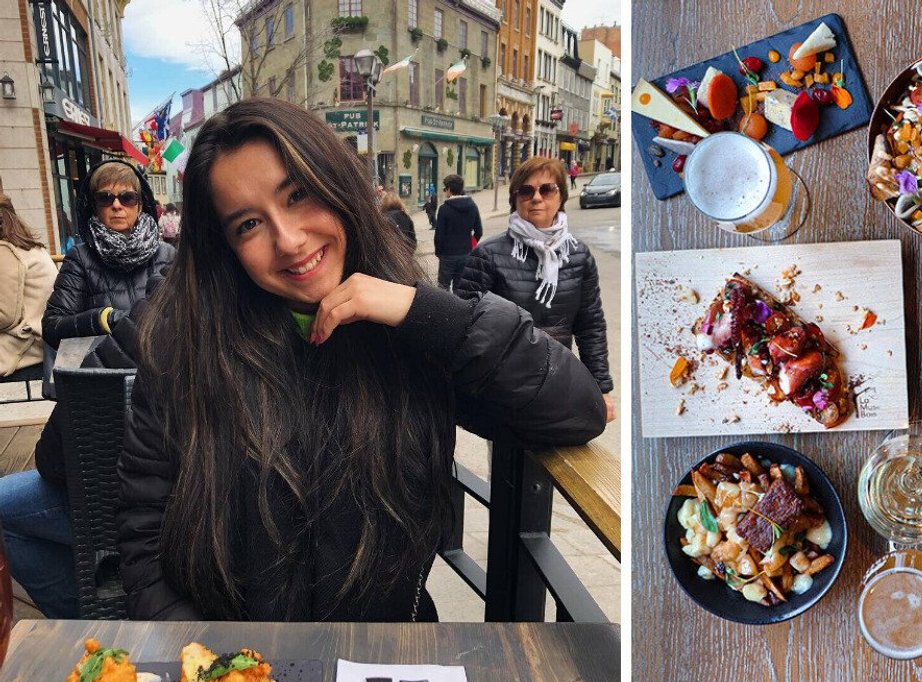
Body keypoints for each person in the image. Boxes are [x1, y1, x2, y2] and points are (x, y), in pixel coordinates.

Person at [116, 97, 606, 621]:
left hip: (384, 660)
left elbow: (577, 410)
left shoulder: (412, 334)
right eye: (249, 225)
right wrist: (222, 671)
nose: (289, 240)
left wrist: (423, 312)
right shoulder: (183, 352)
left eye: (299, 195)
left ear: (338, 186)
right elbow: (143, 549)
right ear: (226, 249)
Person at [0, 161, 173, 619]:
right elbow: (53, 324)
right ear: (92, 205)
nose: (117, 206)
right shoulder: (81, 257)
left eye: (128, 197)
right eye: (105, 198)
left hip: (147, 436)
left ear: (144, 204)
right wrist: (104, 321)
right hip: (92, 423)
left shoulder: (170, 260)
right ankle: (80, 614)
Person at [455, 157, 615, 422]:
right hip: (503, 384)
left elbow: (590, 326)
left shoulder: (578, 256)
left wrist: (600, 388)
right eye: (526, 191)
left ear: (561, 196)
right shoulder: (488, 255)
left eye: (547, 189)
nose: (536, 198)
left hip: (560, 378)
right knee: (509, 458)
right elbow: (464, 322)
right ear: (515, 200)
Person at [0, 192, 57, 377]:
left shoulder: (5, 251)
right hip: (40, 344)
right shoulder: (28, 247)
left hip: (23, 348)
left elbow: (5, 316)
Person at [433, 174, 482, 289]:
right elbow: (479, 231)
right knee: (460, 287)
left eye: (445, 189)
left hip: (447, 255)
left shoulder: (444, 209)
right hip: (466, 253)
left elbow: (439, 235)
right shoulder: (472, 206)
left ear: (449, 189)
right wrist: (470, 245)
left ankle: (445, 307)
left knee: (443, 287)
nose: (445, 192)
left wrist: (439, 253)